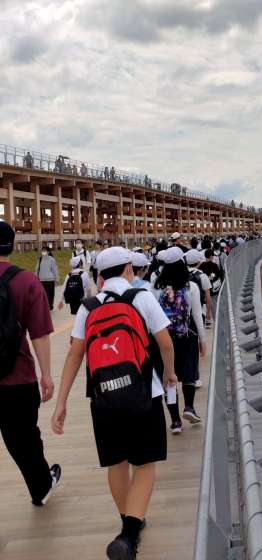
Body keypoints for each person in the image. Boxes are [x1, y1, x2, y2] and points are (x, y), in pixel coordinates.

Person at [51, 246, 177, 560]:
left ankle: (128, 520)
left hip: (103, 397)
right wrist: (169, 374)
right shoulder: (142, 297)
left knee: (116, 463)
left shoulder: (88, 307)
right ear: (129, 269)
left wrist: (61, 403)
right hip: (144, 394)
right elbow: (165, 342)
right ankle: (130, 534)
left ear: (100, 275)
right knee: (144, 464)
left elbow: (75, 355)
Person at [0, 222, 61, 507]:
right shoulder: (26, 281)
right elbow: (39, 334)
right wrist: (46, 375)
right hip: (17, 377)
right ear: (12, 246)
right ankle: (41, 486)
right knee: (24, 436)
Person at [152, 247, 206, 433]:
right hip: (186, 336)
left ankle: (175, 421)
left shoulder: (155, 288)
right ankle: (189, 407)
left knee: (169, 376)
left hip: (163, 339)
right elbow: (197, 315)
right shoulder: (191, 287)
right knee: (189, 373)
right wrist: (202, 340)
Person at [186, 248, 212, 328]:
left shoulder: (182, 274)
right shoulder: (202, 276)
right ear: (198, 261)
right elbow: (208, 298)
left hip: (183, 313)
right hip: (198, 312)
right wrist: (208, 313)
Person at [200, 249, 223, 317]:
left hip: (205, 289)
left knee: (207, 304)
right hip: (214, 289)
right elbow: (219, 275)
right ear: (211, 256)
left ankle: (209, 317)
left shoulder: (202, 265)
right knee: (215, 304)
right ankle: (217, 318)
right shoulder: (214, 265)